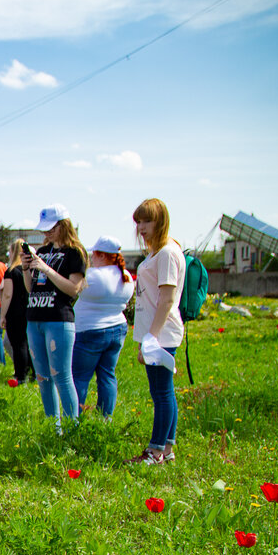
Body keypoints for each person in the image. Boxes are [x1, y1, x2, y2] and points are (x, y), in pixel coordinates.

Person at [128, 198, 185, 465]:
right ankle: (167, 449)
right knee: (164, 391)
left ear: (160, 221)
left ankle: (156, 451)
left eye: (147, 220)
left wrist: (151, 337)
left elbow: (167, 299)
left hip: (161, 334)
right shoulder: (157, 252)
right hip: (155, 333)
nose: (141, 227)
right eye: (138, 221)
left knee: (161, 393)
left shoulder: (167, 253)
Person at [22, 205, 87, 428]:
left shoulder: (75, 253)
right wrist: (25, 268)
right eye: (44, 229)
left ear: (63, 225)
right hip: (35, 318)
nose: (46, 233)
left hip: (59, 319)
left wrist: (46, 269)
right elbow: (31, 289)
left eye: (51, 229)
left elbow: (73, 288)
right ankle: (53, 428)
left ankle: (71, 429)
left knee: (61, 375)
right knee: (42, 377)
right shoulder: (41, 252)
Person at [72, 237, 135, 418]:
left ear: (101, 255)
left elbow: (73, 289)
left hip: (89, 330)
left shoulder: (92, 276)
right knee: (107, 376)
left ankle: (74, 418)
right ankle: (105, 418)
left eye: (94, 254)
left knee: (81, 377)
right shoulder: (126, 276)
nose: (91, 257)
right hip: (117, 328)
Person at [0, 239, 33, 384]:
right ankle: (33, 372)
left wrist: (2, 315)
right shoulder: (28, 270)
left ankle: (20, 376)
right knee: (27, 343)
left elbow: (7, 294)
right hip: (28, 309)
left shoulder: (11, 271)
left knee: (18, 344)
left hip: (14, 311)